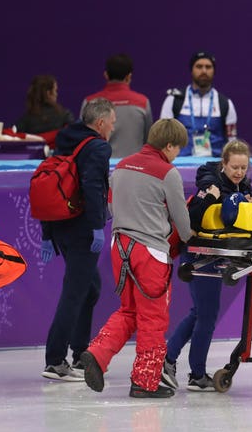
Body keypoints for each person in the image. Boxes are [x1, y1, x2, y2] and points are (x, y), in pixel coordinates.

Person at [79, 118, 194, 398]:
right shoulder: (168, 173)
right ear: (168, 145)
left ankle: (97, 353)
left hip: (120, 246)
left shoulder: (121, 166)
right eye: (177, 148)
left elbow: (109, 206)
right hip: (151, 252)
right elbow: (183, 224)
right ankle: (145, 381)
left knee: (129, 310)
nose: (177, 154)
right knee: (153, 317)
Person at [163, 139, 252, 392]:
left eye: (243, 168)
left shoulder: (244, 186)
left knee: (199, 313)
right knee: (207, 315)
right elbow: (190, 218)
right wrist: (218, 197)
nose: (239, 172)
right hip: (199, 255)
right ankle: (196, 374)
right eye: (234, 167)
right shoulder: (209, 183)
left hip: (216, 256)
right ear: (223, 164)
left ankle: (168, 358)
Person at [39, 98, 116, 382]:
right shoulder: (98, 147)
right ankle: (55, 360)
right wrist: (97, 227)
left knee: (90, 288)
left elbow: (52, 183)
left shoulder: (66, 140)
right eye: (112, 121)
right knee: (74, 293)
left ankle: (81, 352)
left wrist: (48, 233)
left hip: (61, 225)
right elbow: (93, 187)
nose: (113, 126)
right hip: (82, 229)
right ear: (100, 123)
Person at [159, 51, 237, 157]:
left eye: (208, 67)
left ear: (214, 71)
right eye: (199, 66)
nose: (204, 71)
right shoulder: (173, 100)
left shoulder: (225, 103)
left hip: (214, 168)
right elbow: (163, 139)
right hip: (180, 165)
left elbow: (232, 142)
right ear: (191, 70)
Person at [82, 54, 153, 158]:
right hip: (134, 169)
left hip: (99, 168)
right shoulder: (143, 102)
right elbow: (149, 141)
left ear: (106, 75)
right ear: (129, 76)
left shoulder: (89, 102)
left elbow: (83, 140)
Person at [15, 75, 75, 149]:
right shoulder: (66, 116)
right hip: (58, 159)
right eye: (55, 90)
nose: (57, 94)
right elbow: (72, 138)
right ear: (48, 93)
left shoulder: (24, 120)